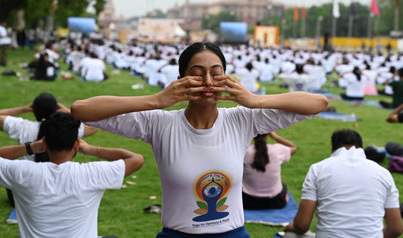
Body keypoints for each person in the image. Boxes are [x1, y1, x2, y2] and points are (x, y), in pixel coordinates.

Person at [71, 42, 328, 237]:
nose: (207, 82)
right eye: (197, 73)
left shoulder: (243, 120)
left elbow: (317, 103)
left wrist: (255, 101)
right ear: (181, 79)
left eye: (216, 74)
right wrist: (156, 100)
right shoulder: (158, 123)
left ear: (227, 78)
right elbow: (81, 110)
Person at [0, 112, 144, 237]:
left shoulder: (22, 172)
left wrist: (30, 147)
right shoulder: (92, 174)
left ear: (44, 142)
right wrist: (93, 150)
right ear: (76, 145)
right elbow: (136, 159)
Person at [284, 129, 403, 238]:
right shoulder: (384, 173)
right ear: (361, 148)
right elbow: (396, 229)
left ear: (332, 151)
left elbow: (302, 225)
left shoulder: (318, 169)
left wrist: (293, 226)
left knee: (290, 235)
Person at [242, 131, 296, 210]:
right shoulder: (277, 150)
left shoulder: (245, 151)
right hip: (276, 202)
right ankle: (285, 197)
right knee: (283, 186)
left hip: (247, 202)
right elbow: (293, 147)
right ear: (268, 133)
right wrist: (275, 137)